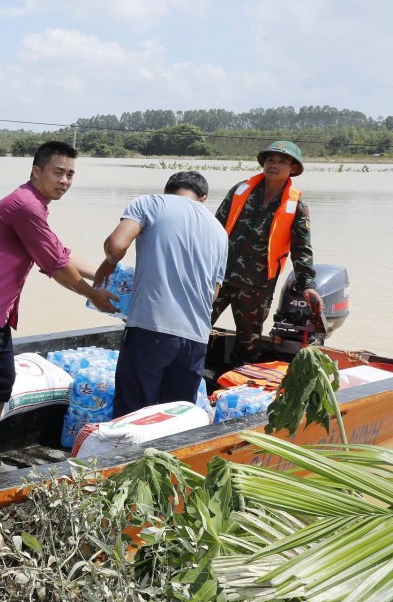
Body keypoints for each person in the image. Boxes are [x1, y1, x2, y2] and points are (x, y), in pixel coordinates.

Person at [0, 141, 118, 485]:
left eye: (70, 174)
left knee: (0, 384)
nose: (65, 180)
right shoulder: (25, 206)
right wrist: (93, 295)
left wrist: (108, 277)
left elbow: (60, 251)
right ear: (36, 172)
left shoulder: (35, 207)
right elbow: (57, 267)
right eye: (58, 172)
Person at [97, 171, 228, 417]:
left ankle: (129, 457)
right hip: (196, 338)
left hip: (151, 329)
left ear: (167, 190)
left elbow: (116, 246)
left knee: (132, 414)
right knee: (174, 418)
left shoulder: (151, 203)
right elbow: (213, 293)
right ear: (203, 198)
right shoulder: (220, 231)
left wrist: (109, 262)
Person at [212, 140, 322, 362]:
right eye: (270, 159)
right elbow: (214, 227)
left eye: (282, 161)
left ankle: (240, 384)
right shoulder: (240, 190)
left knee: (248, 344)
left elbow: (301, 249)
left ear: (293, 168)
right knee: (193, 324)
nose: (274, 164)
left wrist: (307, 286)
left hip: (257, 285)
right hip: (218, 277)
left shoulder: (297, 206)